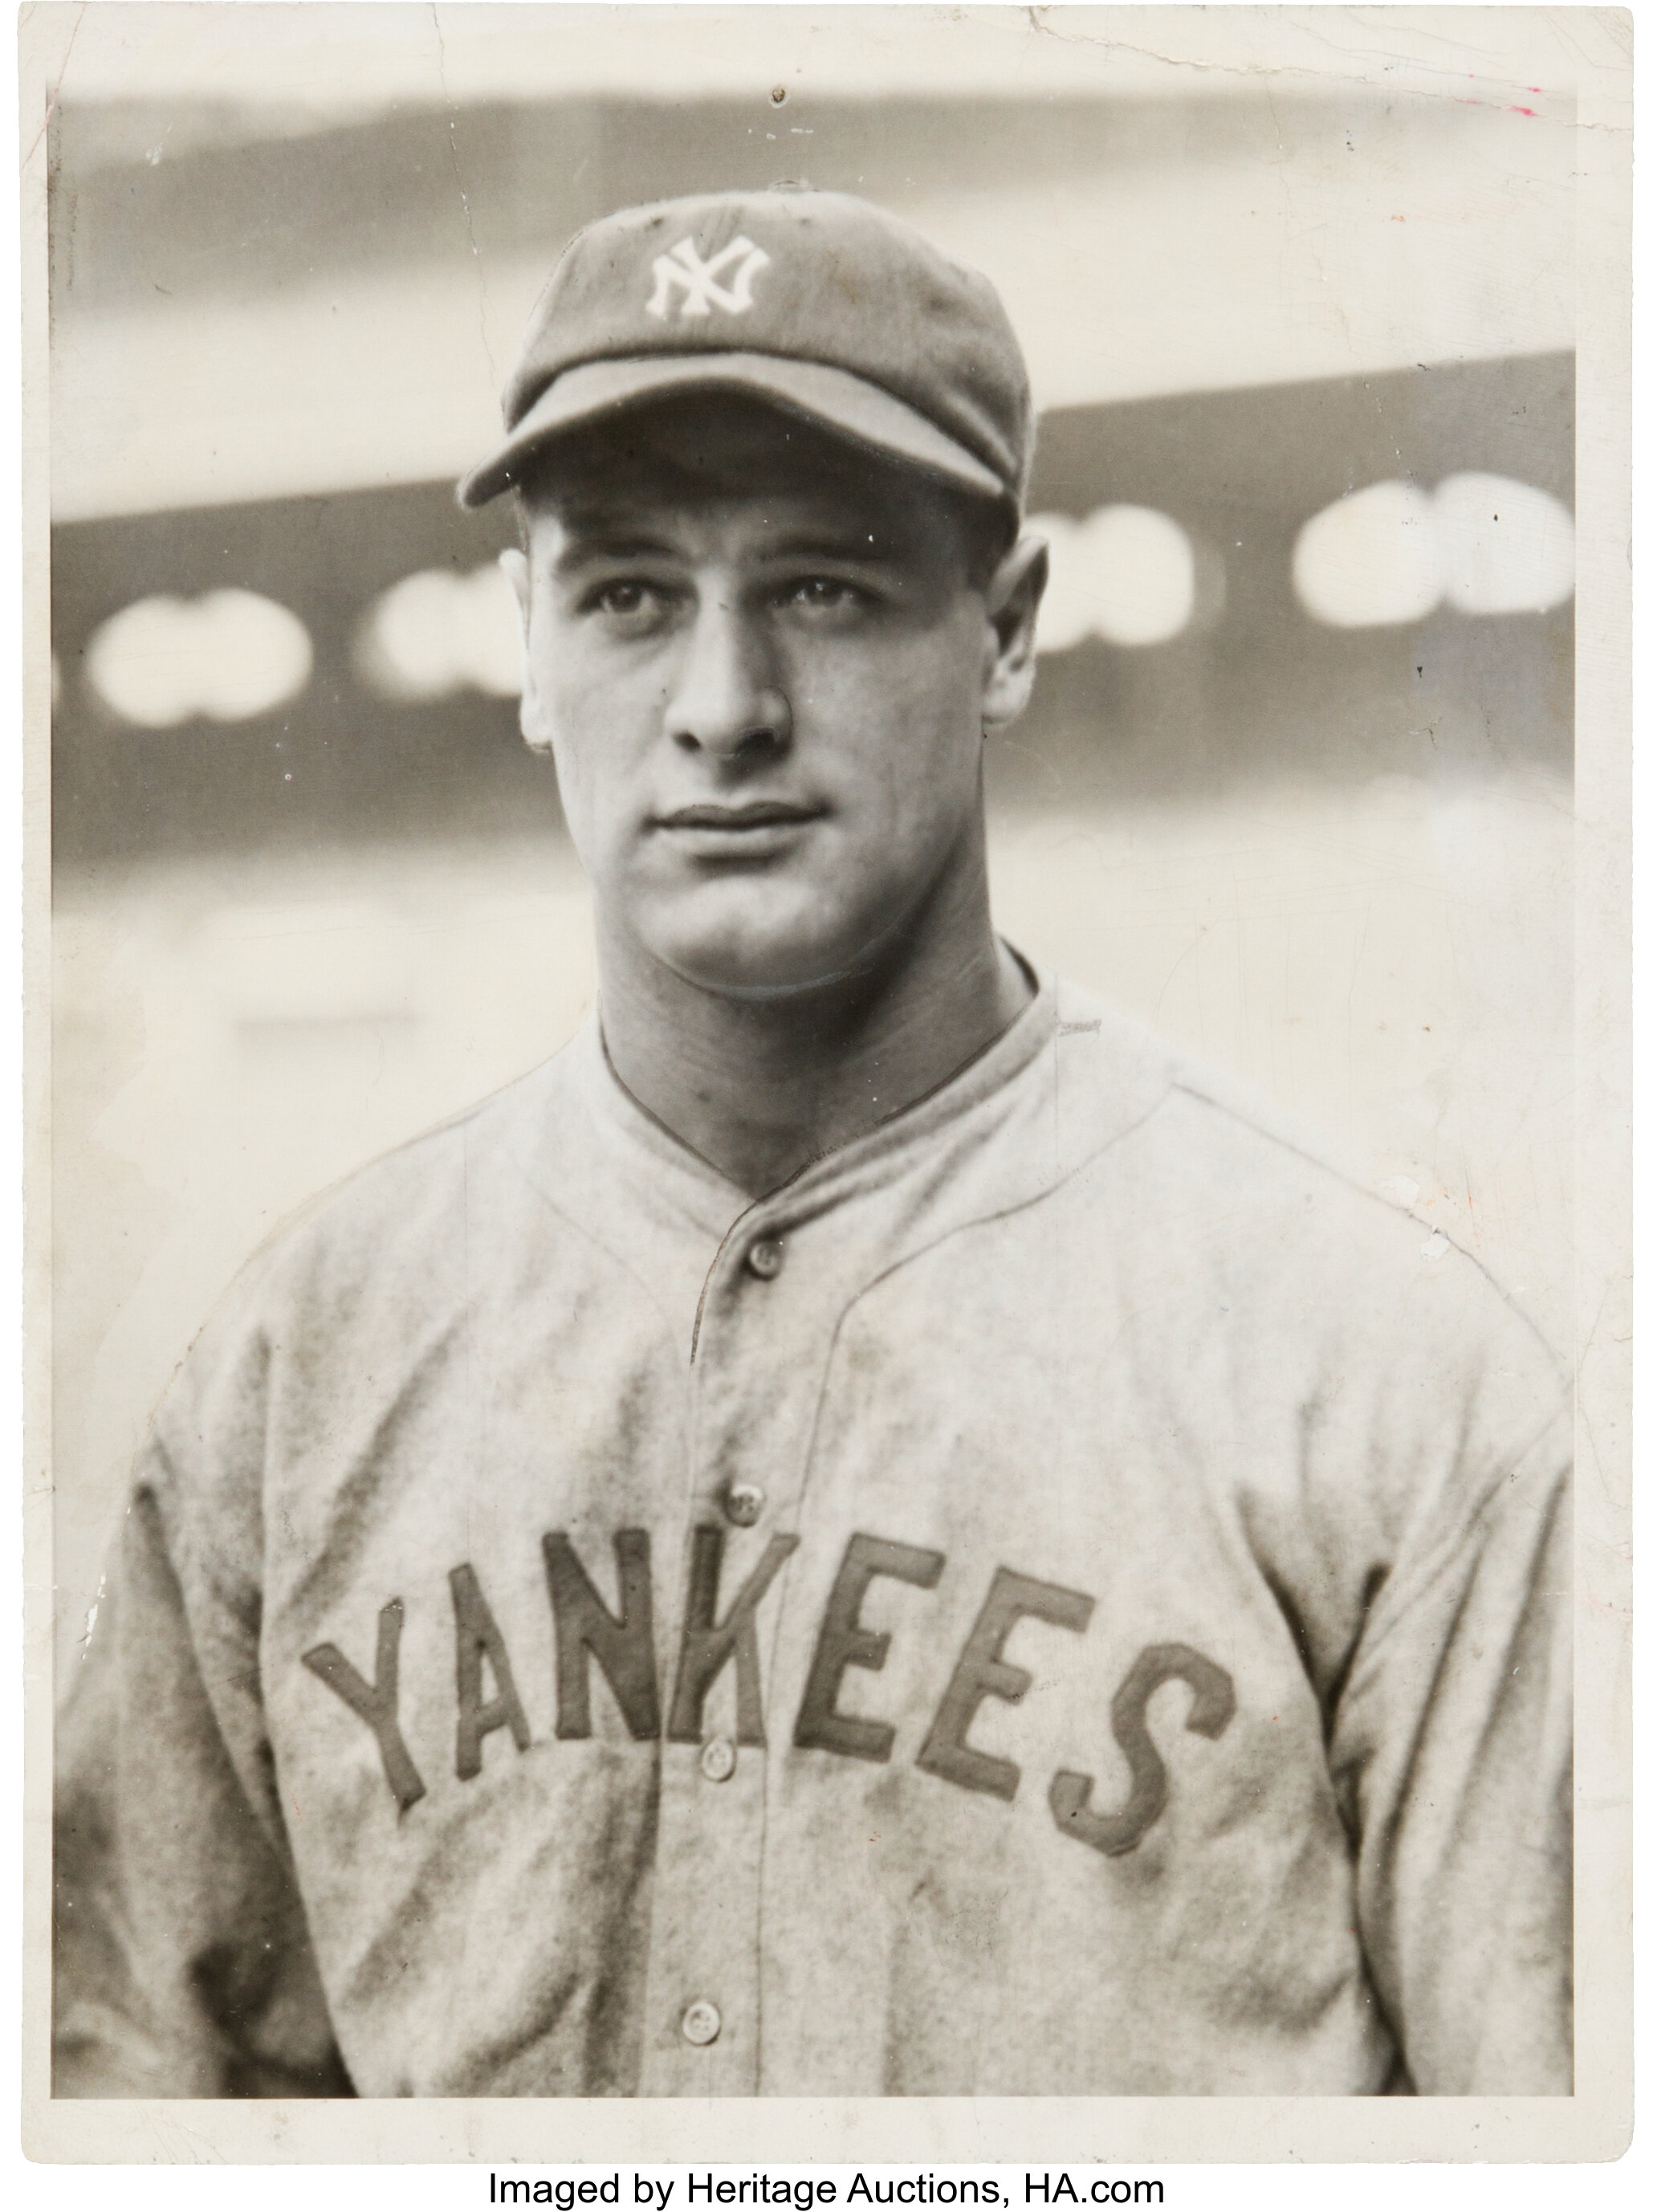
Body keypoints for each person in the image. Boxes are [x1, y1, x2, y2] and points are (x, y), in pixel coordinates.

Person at [53, 187, 1571, 2100]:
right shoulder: (289, 1370)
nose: (719, 710)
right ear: (525, 647)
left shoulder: (1380, 1373)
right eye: (626, 596)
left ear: (1007, 629)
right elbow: (133, 2119)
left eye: (824, 589)